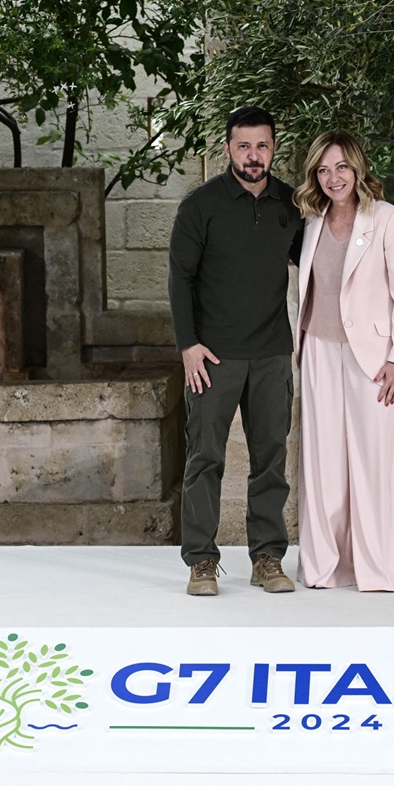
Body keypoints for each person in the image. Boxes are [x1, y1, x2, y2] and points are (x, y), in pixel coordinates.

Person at [168, 106, 303, 596]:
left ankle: (268, 557)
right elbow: (179, 279)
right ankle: (201, 561)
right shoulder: (200, 206)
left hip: (271, 353)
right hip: (212, 356)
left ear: (273, 149)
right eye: (243, 146)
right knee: (205, 457)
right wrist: (188, 345)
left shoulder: (291, 205)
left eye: (261, 146)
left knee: (271, 457)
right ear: (227, 149)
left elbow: (318, 263)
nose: (253, 155)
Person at [292, 130, 394, 592]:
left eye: (342, 167)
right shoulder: (310, 223)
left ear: (358, 169)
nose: (334, 178)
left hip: (374, 358)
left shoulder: (390, 220)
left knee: (376, 463)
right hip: (317, 350)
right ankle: (325, 567)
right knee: (323, 463)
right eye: (324, 170)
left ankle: (384, 566)